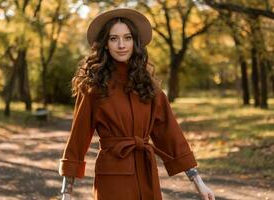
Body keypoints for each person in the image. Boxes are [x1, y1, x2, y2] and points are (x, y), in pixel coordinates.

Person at [58, 7, 215, 200]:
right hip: (112, 178)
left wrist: (198, 181)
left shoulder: (149, 87)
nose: (121, 45)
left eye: (128, 38)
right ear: (105, 44)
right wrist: (66, 191)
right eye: (114, 38)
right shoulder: (94, 87)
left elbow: (170, 134)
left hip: (146, 173)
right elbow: (78, 137)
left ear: (135, 42)